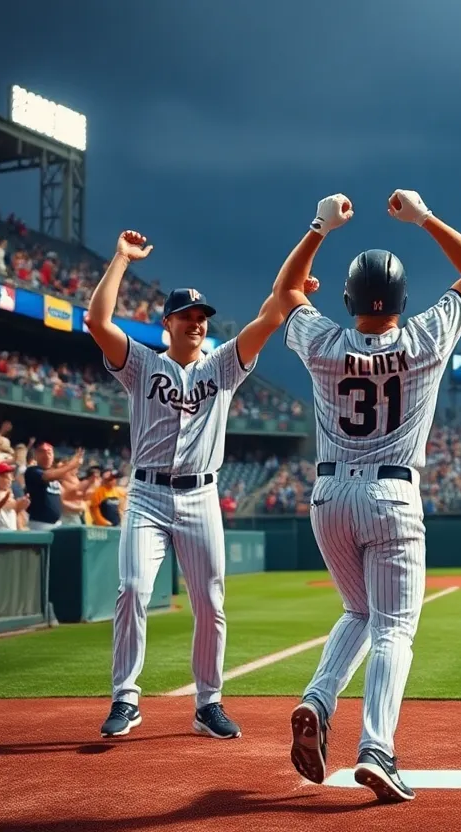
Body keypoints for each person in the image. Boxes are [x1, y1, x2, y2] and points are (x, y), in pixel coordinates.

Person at [278, 190, 461, 802]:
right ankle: (377, 748)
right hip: (392, 496)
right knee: (394, 627)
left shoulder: (321, 343)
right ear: (404, 301)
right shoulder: (426, 336)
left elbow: (285, 295)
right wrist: (424, 218)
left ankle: (318, 703)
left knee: (359, 613)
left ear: (346, 299)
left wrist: (319, 227)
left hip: (328, 495)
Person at [87, 229, 292, 741]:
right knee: (132, 588)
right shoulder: (140, 364)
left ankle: (208, 703)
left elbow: (270, 317)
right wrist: (120, 259)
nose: (198, 324)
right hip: (149, 495)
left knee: (210, 602)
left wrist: (292, 290)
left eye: (203, 318)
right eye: (189, 317)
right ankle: (125, 698)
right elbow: (96, 321)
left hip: (201, 496)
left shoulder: (223, 367)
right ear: (169, 323)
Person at [24, 443, 82, 530]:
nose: (46, 455)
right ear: (36, 455)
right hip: (39, 523)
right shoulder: (32, 471)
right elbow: (47, 476)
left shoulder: (55, 475)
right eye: (42, 452)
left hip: (57, 524)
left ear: (53, 456)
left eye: (49, 452)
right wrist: (71, 465)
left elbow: (65, 495)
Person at [0, 462, 30, 530]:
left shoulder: (12, 496)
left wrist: (19, 508)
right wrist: (5, 500)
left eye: (10, 477)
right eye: (6, 477)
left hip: (11, 537)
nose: (10, 480)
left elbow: (20, 523)